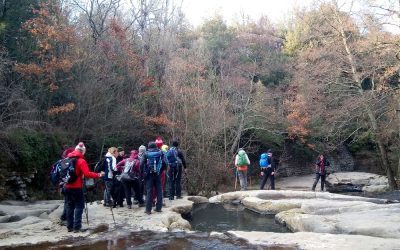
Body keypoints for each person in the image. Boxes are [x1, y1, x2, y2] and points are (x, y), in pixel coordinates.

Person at [64, 142, 104, 232]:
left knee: (69, 206)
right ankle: (77, 227)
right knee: (79, 206)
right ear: (83, 152)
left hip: (66, 186)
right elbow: (87, 174)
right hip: (76, 187)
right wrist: (98, 174)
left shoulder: (67, 159)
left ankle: (69, 227)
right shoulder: (81, 161)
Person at [140, 141, 167, 214]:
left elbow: (141, 164)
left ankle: (148, 210)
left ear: (148, 147)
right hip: (157, 174)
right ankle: (158, 208)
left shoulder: (146, 154)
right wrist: (160, 171)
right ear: (155, 146)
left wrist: (142, 173)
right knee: (159, 191)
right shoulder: (160, 153)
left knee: (149, 192)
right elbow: (164, 163)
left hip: (149, 175)